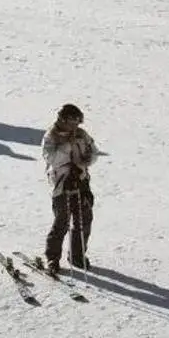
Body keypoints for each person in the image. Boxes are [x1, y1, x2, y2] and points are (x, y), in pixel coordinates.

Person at [43, 103, 97, 274]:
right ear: (63, 120)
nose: (75, 126)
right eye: (72, 122)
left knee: (84, 219)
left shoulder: (81, 134)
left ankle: (77, 255)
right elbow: (52, 158)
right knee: (62, 221)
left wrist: (86, 160)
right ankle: (52, 258)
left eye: (77, 123)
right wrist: (67, 145)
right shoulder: (51, 136)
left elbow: (93, 151)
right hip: (62, 184)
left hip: (80, 181)